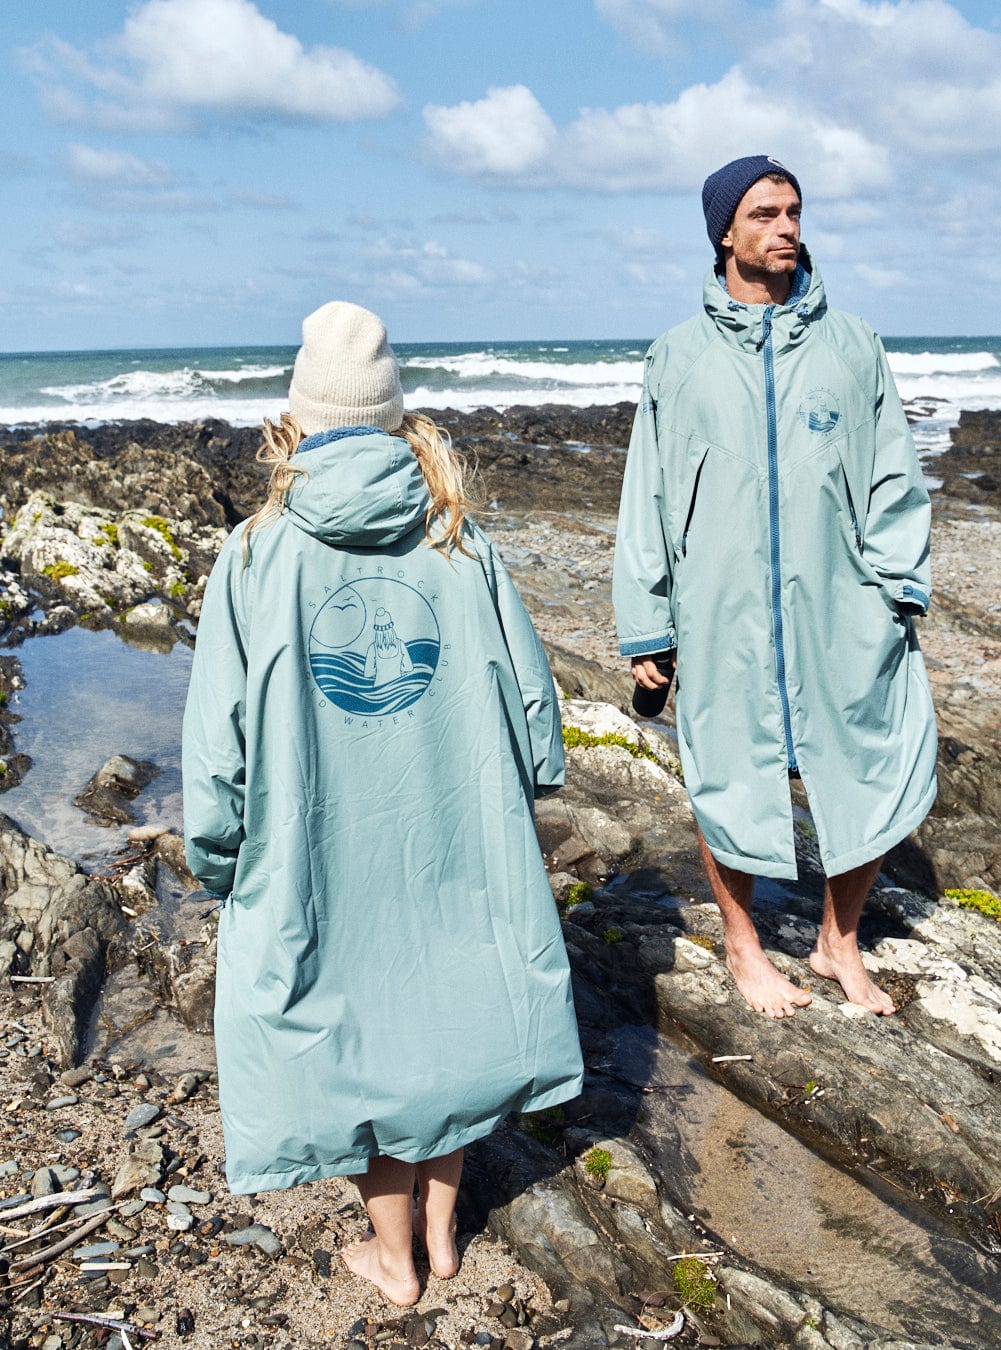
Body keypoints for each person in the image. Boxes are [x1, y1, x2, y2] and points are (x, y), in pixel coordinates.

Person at [183, 301, 583, 1305]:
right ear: (396, 418)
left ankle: (391, 1254)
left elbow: (215, 743)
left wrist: (221, 857)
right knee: (444, 1011)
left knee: (355, 1026)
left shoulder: (254, 556)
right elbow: (534, 704)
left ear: (298, 421)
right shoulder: (461, 538)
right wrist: (529, 780)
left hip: (322, 844)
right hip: (449, 825)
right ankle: (443, 1234)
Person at [613, 155, 937, 1020]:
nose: (786, 227)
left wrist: (900, 588)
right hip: (720, 609)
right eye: (764, 214)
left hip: (841, 602)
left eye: (793, 212)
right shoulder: (677, 358)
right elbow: (646, 495)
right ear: (725, 231)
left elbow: (895, 478)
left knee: (871, 764)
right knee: (729, 774)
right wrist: (647, 626)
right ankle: (744, 946)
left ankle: (838, 942)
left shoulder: (851, 344)